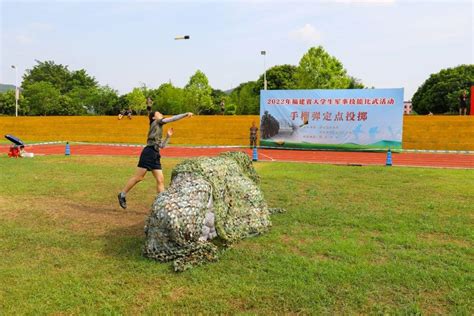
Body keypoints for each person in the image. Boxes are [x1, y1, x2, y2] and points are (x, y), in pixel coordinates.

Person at [117, 111, 193, 209]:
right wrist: (185, 114)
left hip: (155, 154)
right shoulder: (157, 122)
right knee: (139, 177)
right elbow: (172, 118)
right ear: (153, 118)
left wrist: (168, 137)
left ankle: (162, 204)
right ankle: (122, 194)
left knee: (160, 180)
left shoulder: (159, 128)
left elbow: (162, 146)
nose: (161, 114)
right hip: (148, 152)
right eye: (158, 113)